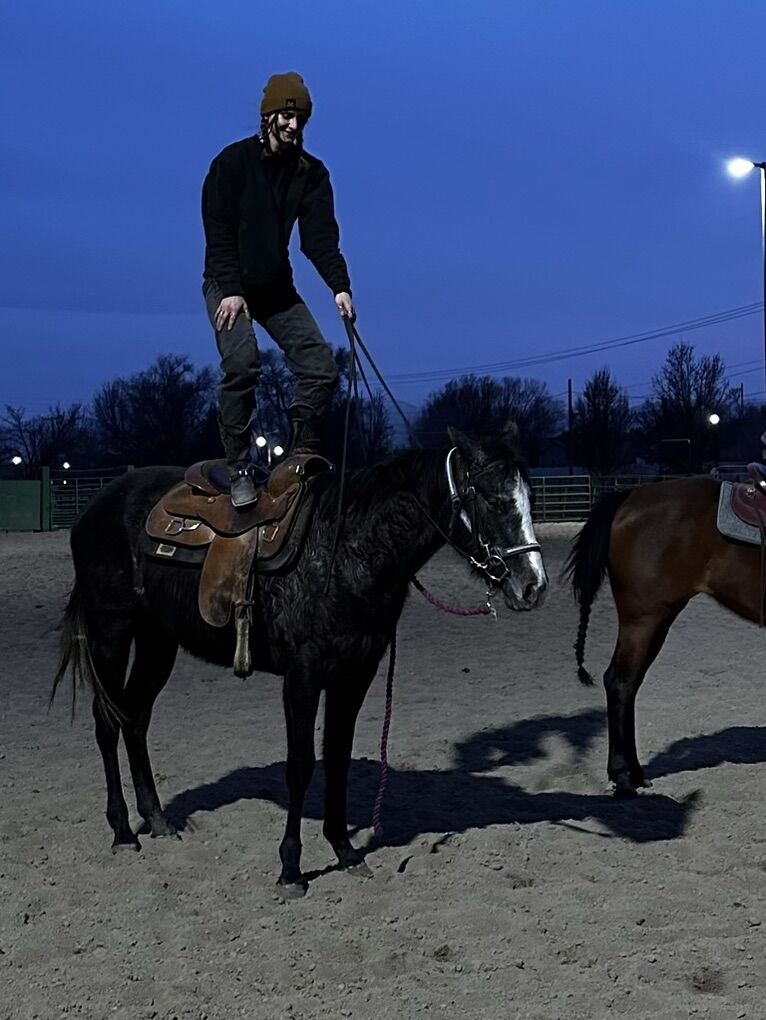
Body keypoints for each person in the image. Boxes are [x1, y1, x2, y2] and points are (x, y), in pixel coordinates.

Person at [201, 71, 354, 507]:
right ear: (268, 115)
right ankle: (240, 466)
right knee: (243, 363)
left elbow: (319, 239)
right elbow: (218, 233)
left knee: (321, 366)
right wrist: (232, 290)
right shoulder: (231, 164)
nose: (293, 124)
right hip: (227, 282)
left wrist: (339, 287)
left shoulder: (311, 174)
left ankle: (299, 454)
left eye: (301, 118)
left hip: (274, 288)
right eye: (287, 115)